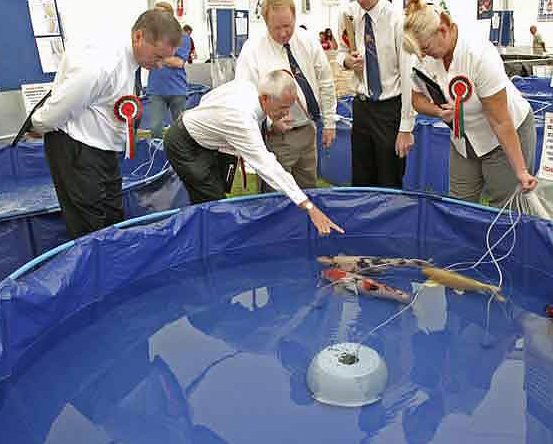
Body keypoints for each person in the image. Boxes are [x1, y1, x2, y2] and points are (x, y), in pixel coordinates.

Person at [30, 10, 182, 239]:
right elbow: (62, 106)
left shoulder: (131, 58)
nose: (160, 65)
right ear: (139, 36)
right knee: (91, 225)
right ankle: (95, 271)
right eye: (158, 56)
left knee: (112, 215)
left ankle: (111, 267)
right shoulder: (100, 64)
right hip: (76, 148)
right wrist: (38, 124)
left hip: (103, 150)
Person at [163, 70, 344, 236]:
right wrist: (309, 206)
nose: (286, 113)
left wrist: (272, 121)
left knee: (216, 197)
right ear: (265, 99)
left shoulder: (248, 87)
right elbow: (268, 166)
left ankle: (210, 237)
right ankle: (213, 247)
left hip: (206, 141)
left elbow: (209, 98)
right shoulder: (240, 120)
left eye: (289, 107)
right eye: (282, 108)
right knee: (213, 204)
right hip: (184, 145)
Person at [403, 0, 537, 207]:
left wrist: (521, 171)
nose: (422, 55)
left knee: (505, 206)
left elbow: (500, 121)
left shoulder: (479, 54)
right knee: (460, 205)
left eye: (426, 48)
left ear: (444, 30)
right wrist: (439, 112)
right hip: (462, 139)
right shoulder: (423, 55)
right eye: (419, 51)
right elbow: (417, 99)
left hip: (504, 136)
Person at [235, 0, 337, 190]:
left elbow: (325, 81)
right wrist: (270, 123)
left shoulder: (308, 41)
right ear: (265, 22)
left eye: (287, 26)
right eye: (276, 28)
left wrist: (329, 122)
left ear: (295, 17)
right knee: (276, 197)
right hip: (275, 138)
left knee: (308, 192)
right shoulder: (252, 50)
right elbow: (244, 97)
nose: (283, 33)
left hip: (307, 131)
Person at [337, 0, 416, 188]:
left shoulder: (397, 21)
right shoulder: (347, 14)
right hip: (361, 106)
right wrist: (346, 61)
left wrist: (406, 128)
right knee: (361, 178)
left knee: (389, 179)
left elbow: (407, 76)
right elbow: (341, 51)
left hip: (388, 110)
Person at [148, 2, 191, 140]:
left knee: (181, 129)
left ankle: (182, 158)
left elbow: (179, 62)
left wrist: (158, 56)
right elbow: (146, 57)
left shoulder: (183, 37)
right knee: (155, 129)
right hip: (156, 90)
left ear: (170, 16)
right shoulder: (150, 38)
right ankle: (157, 157)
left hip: (177, 90)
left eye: (161, 13)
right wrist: (165, 57)